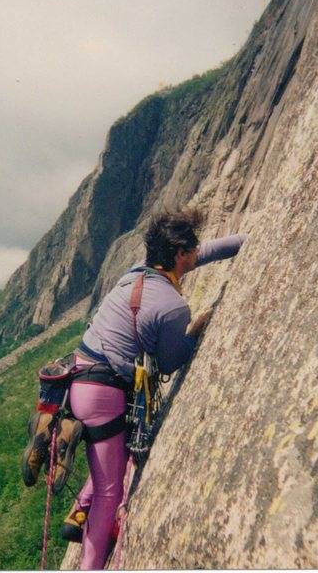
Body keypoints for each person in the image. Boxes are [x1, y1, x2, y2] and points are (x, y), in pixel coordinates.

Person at [22, 209, 246, 570]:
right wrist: (196, 329)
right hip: (105, 395)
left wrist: (246, 241)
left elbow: (203, 253)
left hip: (76, 378)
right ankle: (90, 563)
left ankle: (78, 509)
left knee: (113, 451)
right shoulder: (173, 306)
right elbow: (172, 360)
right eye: (191, 247)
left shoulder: (140, 270)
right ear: (178, 255)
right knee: (111, 492)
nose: (197, 251)